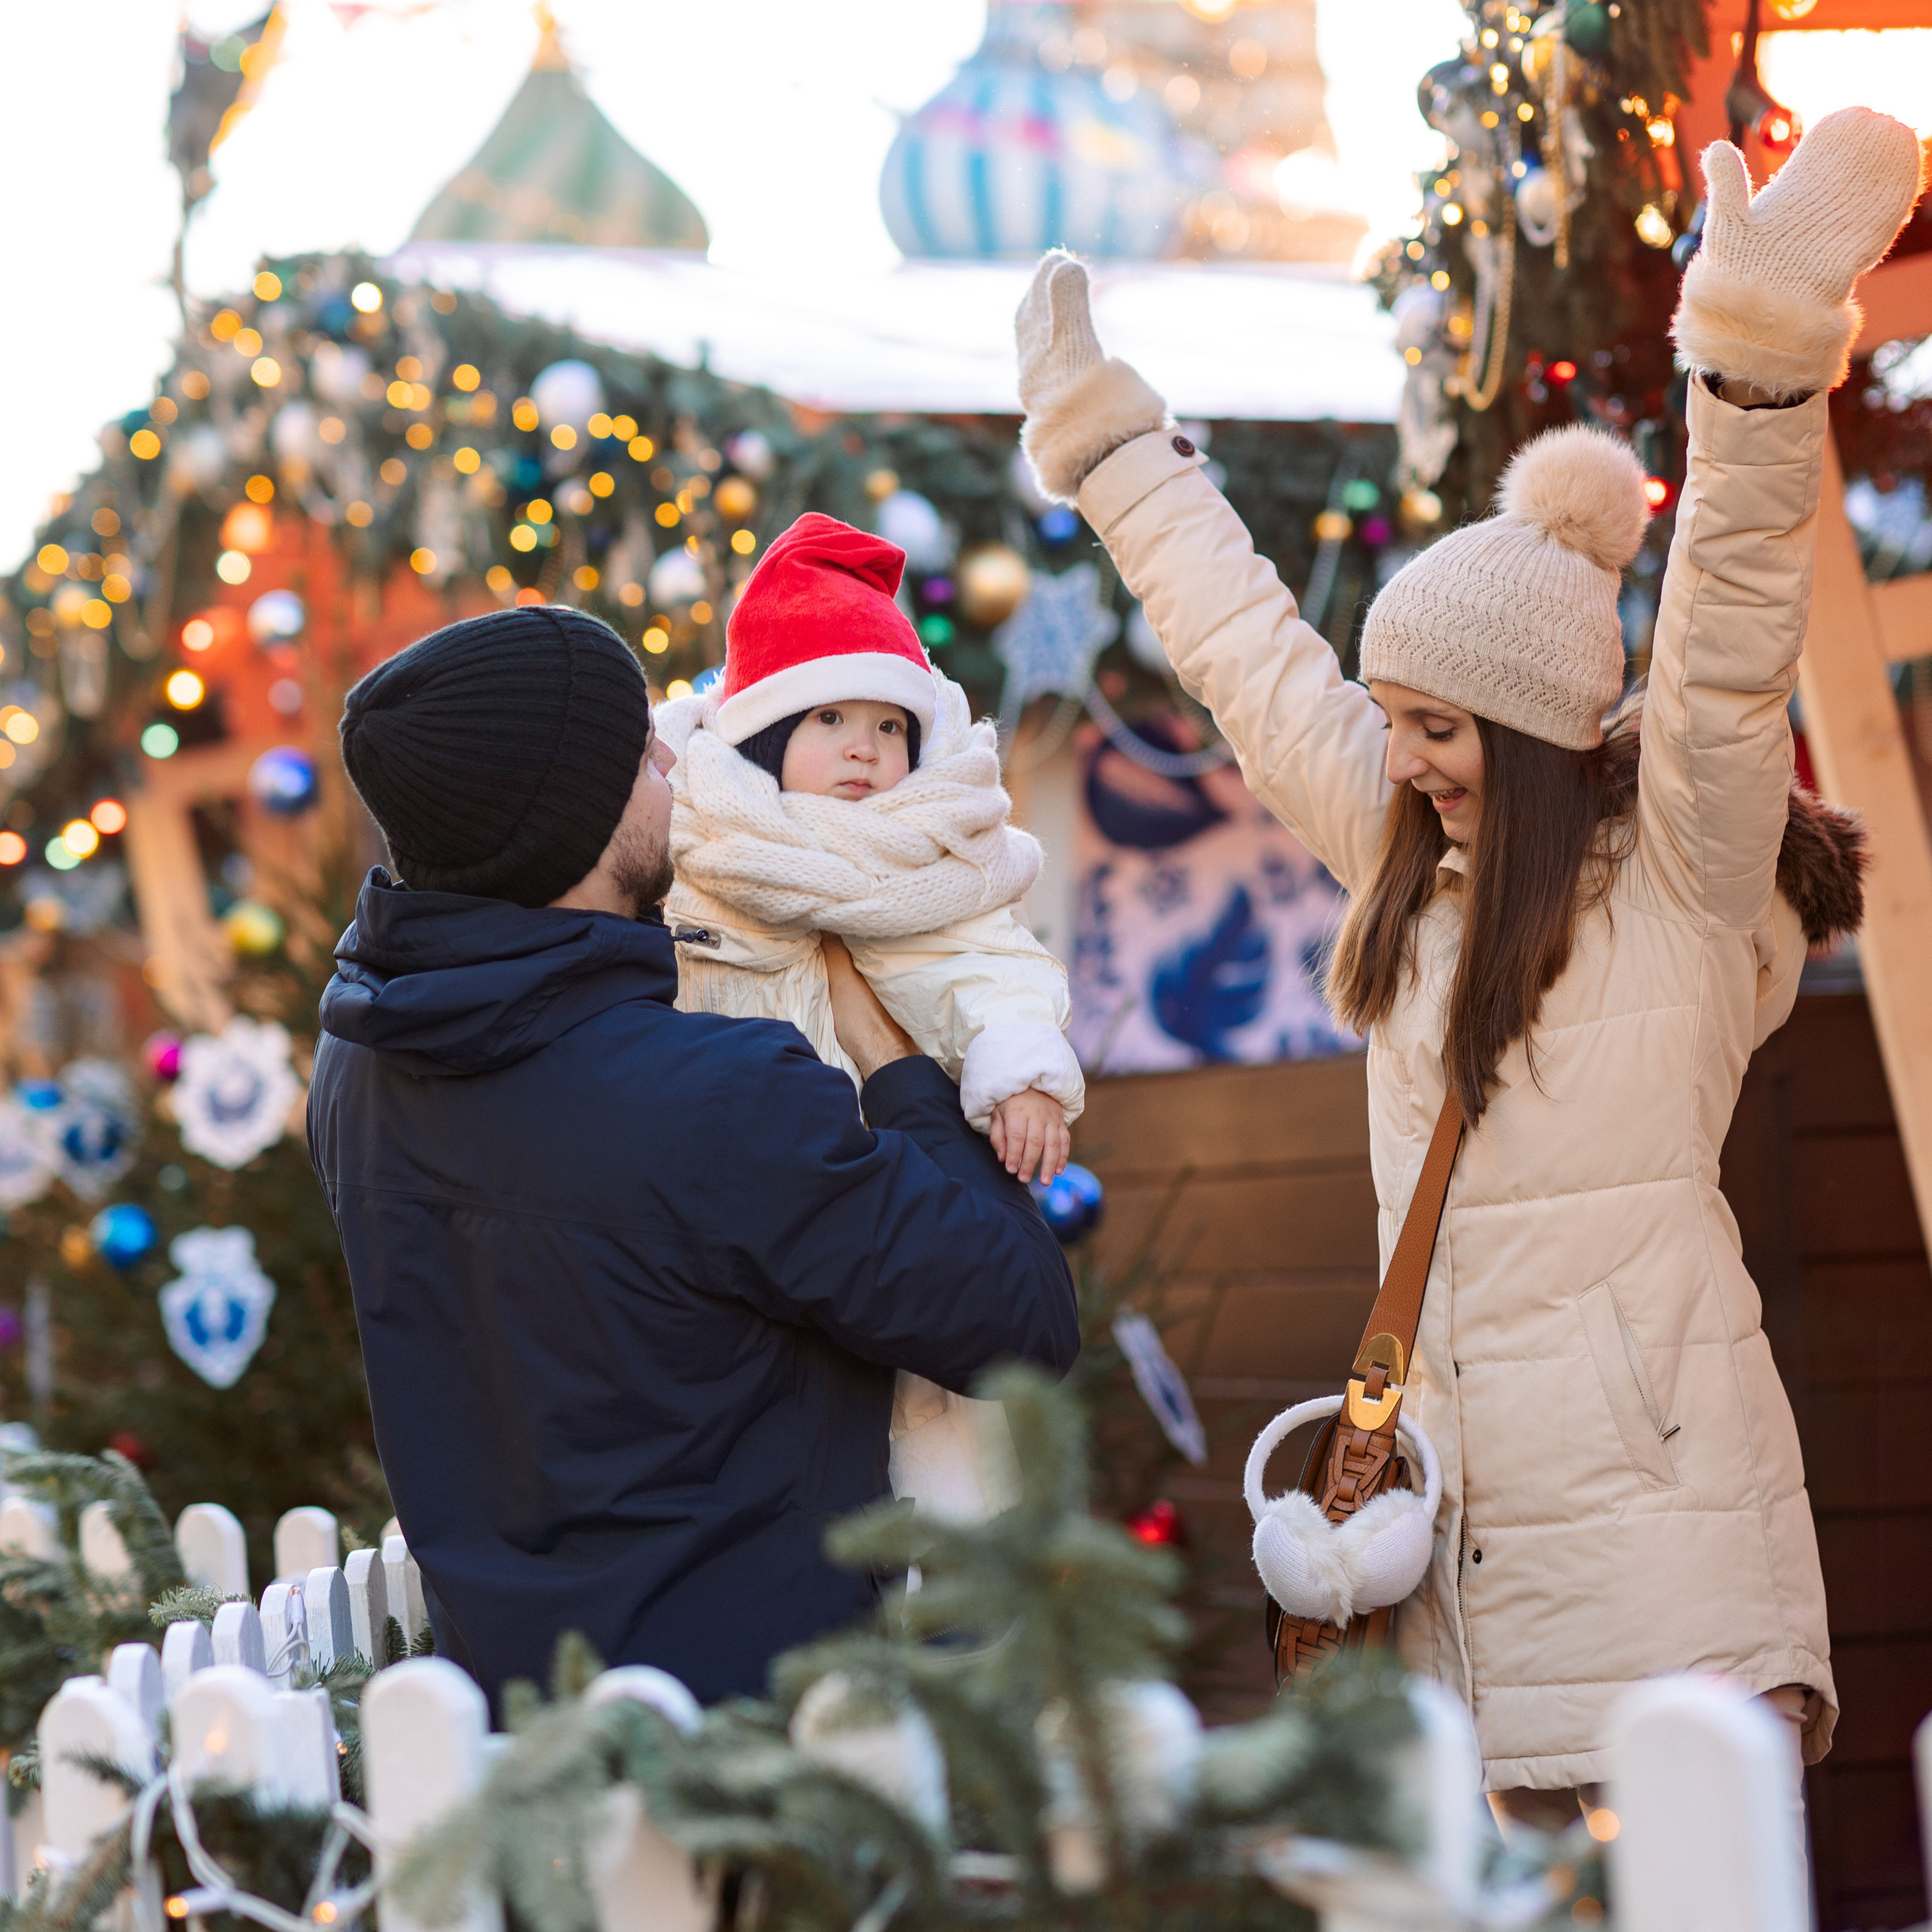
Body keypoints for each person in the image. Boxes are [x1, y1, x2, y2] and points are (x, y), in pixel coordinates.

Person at [1010, 107, 1922, 1815]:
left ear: (1523, 727)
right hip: (1460, 1523)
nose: (1402, 755)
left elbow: (1726, 641)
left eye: (1435, 726)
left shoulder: (1677, 871)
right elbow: (1241, 650)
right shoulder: (1405, 866)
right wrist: (1108, 444)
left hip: (1654, 1515)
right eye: (1392, 721)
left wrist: (1752, 369)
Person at [306, 604, 1079, 1709]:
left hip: (513, 1717)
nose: (673, 756)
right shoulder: (715, 1099)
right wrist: (896, 1065)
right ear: (568, 814)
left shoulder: (358, 1067)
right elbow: (1019, 1319)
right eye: (638, 752)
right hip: (755, 1735)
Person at [657, 512, 1084, 1521]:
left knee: (938, 1446)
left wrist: (1022, 1066)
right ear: (765, 730)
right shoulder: (702, 853)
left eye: (889, 726)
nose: (865, 750)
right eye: (831, 721)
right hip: (751, 1211)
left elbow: (988, 961)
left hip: (896, 1204)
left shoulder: (930, 860)